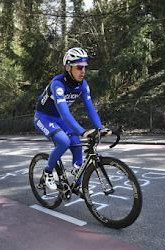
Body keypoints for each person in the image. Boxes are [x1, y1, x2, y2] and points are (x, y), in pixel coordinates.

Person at [34, 47, 111, 197]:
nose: (83, 71)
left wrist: (100, 128)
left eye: (85, 67)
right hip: (44, 117)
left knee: (75, 144)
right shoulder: (58, 84)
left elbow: (90, 109)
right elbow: (64, 113)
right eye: (79, 67)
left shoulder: (82, 85)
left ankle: (78, 184)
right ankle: (48, 172)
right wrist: (83, 131)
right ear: (68, 67)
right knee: (63, 141)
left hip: (61, 119)